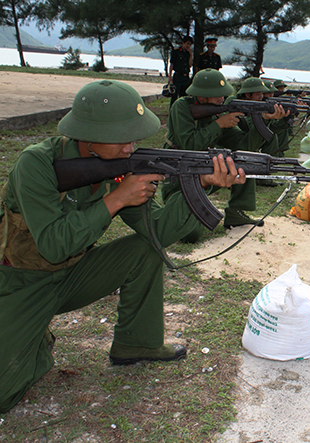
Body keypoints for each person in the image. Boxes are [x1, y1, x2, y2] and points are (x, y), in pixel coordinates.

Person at [0, 80, 246, 413]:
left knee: (144, 250)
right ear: (87, 135)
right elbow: (53, 246)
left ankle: (137, 343)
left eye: (134, 137)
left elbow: (155, 232)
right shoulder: (37, 165)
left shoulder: (120, 167)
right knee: (6, 392)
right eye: (122, 139)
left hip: (73, 276)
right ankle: (34, 335)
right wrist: (115, 200)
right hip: (20, 283)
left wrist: (201, 185)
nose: (131, 148)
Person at [164, 69, 288, 241]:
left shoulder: (218, 112)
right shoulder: (182, 107)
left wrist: (265, 119)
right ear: (202, 95)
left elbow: (244, 145)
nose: (222, 99)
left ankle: (236, 213)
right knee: (191, 235)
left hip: (205, 169)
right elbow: (188, 145)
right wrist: (218, 124)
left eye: (223, 95)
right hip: (179, 173)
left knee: (244, 162)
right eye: (217, 95)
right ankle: (174, 211)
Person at [167, 36, 194, 107]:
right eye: (187, 43)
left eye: (190, 44)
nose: (188, 46)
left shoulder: (188, 53)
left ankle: (182, 111)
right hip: (178, 76)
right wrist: (170, 76)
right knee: (175, 96)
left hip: (186, 77)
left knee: (184, 96)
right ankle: (172, 111)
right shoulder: (176, 52)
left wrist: (191, 55)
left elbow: (190, 65)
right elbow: (172, 64)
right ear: (183, 43)